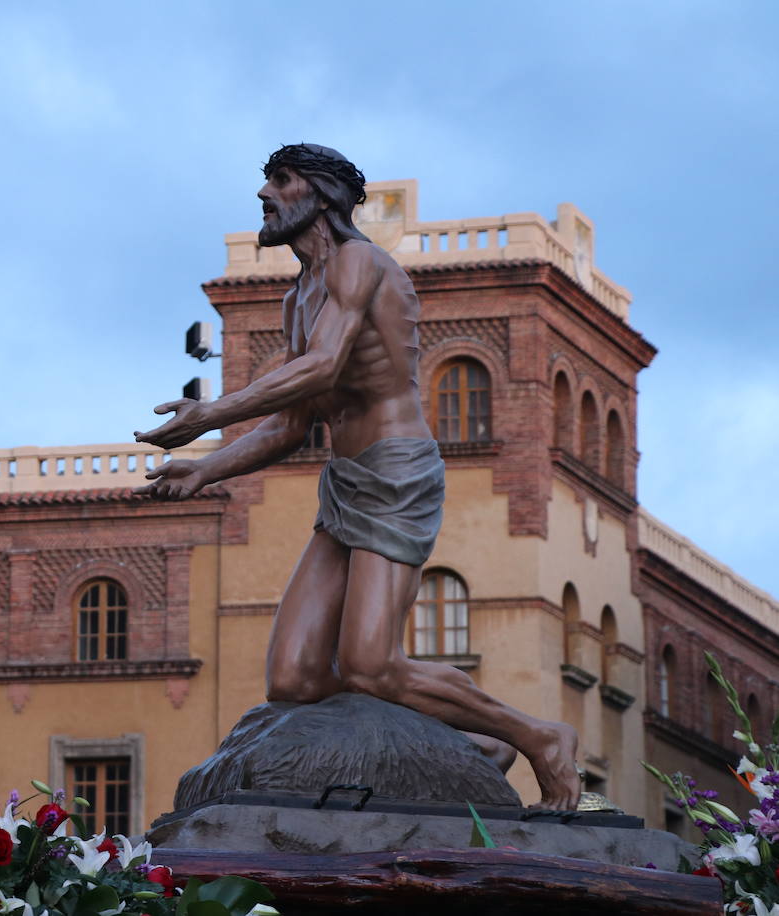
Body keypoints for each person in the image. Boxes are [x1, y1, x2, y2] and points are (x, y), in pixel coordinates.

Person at [133, 144, 579, 809]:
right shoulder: (297, 299)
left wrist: (210, 415)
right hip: (343, 485)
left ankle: (539, 737)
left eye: (279, 181)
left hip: (397, 474)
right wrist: (204, 473)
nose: (263, 194)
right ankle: (474, 745)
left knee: (369, 665)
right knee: (296, 677)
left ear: (321, 194)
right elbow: (292, 425)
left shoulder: (358, 264)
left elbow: (321, 366)